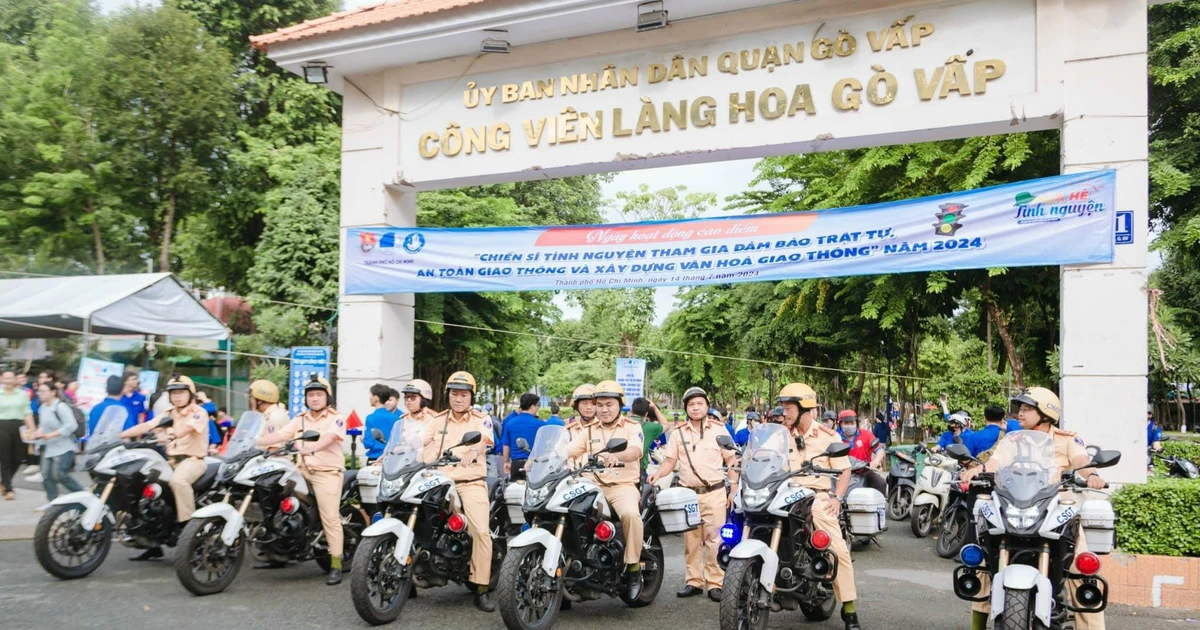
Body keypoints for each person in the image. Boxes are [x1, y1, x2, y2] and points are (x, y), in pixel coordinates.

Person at [961, 387, 1106, 630]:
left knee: (1082, 569)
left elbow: (1081, 460)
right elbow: (995, 462)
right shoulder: (1013, 439)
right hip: (1015, 506)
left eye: (1027, 408)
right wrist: (978, 470)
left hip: (1056, 511)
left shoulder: (1066, 438)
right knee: (984, 563)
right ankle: (977, 624)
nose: (1020, 413)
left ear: (1046, 413)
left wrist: (1091, 474)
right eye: (1020, 408)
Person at [776, 383, 861, 630]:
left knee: (838, 550)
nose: (785, 412)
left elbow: (844, 469)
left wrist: (837, 497)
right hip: (781, 494)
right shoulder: (779, 434)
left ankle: (849, 610)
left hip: (816, 497)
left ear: (805, 409)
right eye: (783, 406)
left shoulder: (827, 436)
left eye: (789, 407)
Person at [649, 387, 738, 601]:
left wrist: (733, 488)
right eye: (691, 404)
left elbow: (732, 460)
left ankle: (715, 583)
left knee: (715, 539)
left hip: (715, 492)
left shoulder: (719, 430)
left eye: (700, 403)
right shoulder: (678, 432)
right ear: (686, 408)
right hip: (687, 495)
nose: (696, 407)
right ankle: (694, 581)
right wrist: (657, 475)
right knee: (691, 540)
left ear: (707, 406)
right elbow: (670, 461)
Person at [257, 374, 347, 585]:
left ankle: (336, 564)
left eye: (319, 394)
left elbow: (329, 438)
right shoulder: (300, 419)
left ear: (327, 397)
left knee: (330, 518)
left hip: (326, 473)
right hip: (302, 471)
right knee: (273, 489)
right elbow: (280, 436)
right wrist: (253, 442)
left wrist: (310, 448)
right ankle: (279, 543)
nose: (314, 398)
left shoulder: (336, 418)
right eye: (310, 395)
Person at [422, 371, 495, 611]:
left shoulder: (479, 419)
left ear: (471, 397)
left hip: (469, 482)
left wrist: (474, 452)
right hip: (438, 482)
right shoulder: (437, 420)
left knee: (481, 532)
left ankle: (482, 588)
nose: (458, 399)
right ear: (448, 396)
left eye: (463, 394)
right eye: (454, 394)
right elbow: (424, 446)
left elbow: (483, 441)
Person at [566, 380, 645, 601]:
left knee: (630, 515)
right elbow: (569, 450)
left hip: (621, 486)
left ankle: (633, 569)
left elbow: (635, 451)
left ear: (620, 404)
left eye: (609, 404)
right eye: (599, 405)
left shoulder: (631, 426)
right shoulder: (589, 430)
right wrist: (540, 458)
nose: (603, 409)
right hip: (592, 486)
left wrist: (616, 456)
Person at [119, 374, 209, 561]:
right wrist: (120, 436)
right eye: (173, 393)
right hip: (170, 461)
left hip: (192, 460)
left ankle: (188, 530)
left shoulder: (199, 412)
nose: (177, 396)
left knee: (178, 481)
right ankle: (151, 539)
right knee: (143, 483)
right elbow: (147, 425)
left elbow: (188, 429)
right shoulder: (168, 414)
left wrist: (172, 435)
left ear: (190, 394)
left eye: (181, 393)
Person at [29, 382, 84, 508]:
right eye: (39, 391)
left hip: (64, 447)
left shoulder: (61, 406)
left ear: (53, 392)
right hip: (49, 447)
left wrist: (53, 434)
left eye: (43, 391)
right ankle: (52, 501)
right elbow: (43, 426)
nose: (39, 394)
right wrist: (37, 433)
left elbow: (72, 425)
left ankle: (82, 494)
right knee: (46, 475)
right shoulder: (43, 407)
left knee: (59, 474)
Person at [0, 369, 36, 500]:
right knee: (5, 458)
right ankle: (8, 489)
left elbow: (27, 412)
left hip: (18, 426)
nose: (9, 381)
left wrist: (32, 429)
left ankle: (4, 482)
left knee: (18, 458)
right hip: (2, 426)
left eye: (11, 378)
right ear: (1, 379)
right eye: (6, 378)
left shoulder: (22, 394)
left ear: (15, 379)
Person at [838, 410, 887, 496]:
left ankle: (879, 509)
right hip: (843, 473)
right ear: (840, 424)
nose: (850, 426)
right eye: (846, 423)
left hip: (865, 471)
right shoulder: (836, 438)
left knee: (881, 483)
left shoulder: (866, 434)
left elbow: (880, 450)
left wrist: (875, 462)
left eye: (852, 423)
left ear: (856, 423)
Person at [500, 393, 543, 480]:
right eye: (538, 405)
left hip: (516, 464)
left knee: (515, 491)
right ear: (532, 406)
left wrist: (506, 462)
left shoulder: (510, 423)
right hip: (535, 464)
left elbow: (506, 445)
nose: (538, 408)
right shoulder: (540, 424)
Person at [363, 384, 402, 462]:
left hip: (375, 458)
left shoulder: (370, 418)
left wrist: (363, 439)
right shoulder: (397, 418)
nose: (369, 398)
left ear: (376, 398)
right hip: (392, 458)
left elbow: (368, 443)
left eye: (371, 395)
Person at [630, 397, 665, 475]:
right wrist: (655, 408)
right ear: (646, 414)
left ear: (631, 410)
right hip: (639, 471)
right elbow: (666, 425)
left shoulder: (621, 423)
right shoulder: (650, 427)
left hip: (621, 470)